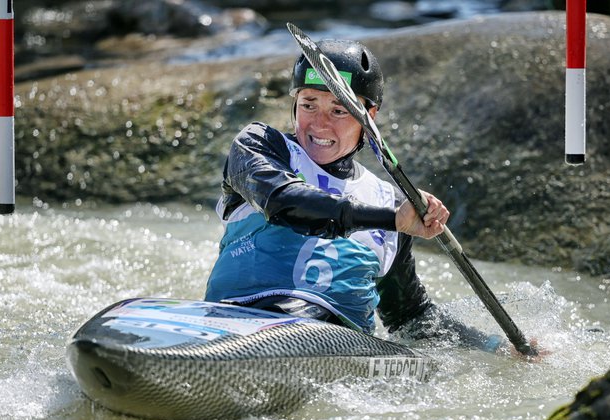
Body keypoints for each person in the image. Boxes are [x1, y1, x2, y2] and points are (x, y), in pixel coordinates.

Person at [204, 39, 506, 353]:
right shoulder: (261, 145)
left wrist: (494, 347)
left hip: (340, 348)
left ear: (369, 115)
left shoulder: (389, 200)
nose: (319, 124)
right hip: (240, 322)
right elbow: (285, 203)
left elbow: (410, 317)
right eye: (309, 104)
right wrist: (389, 220)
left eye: (338, 110)